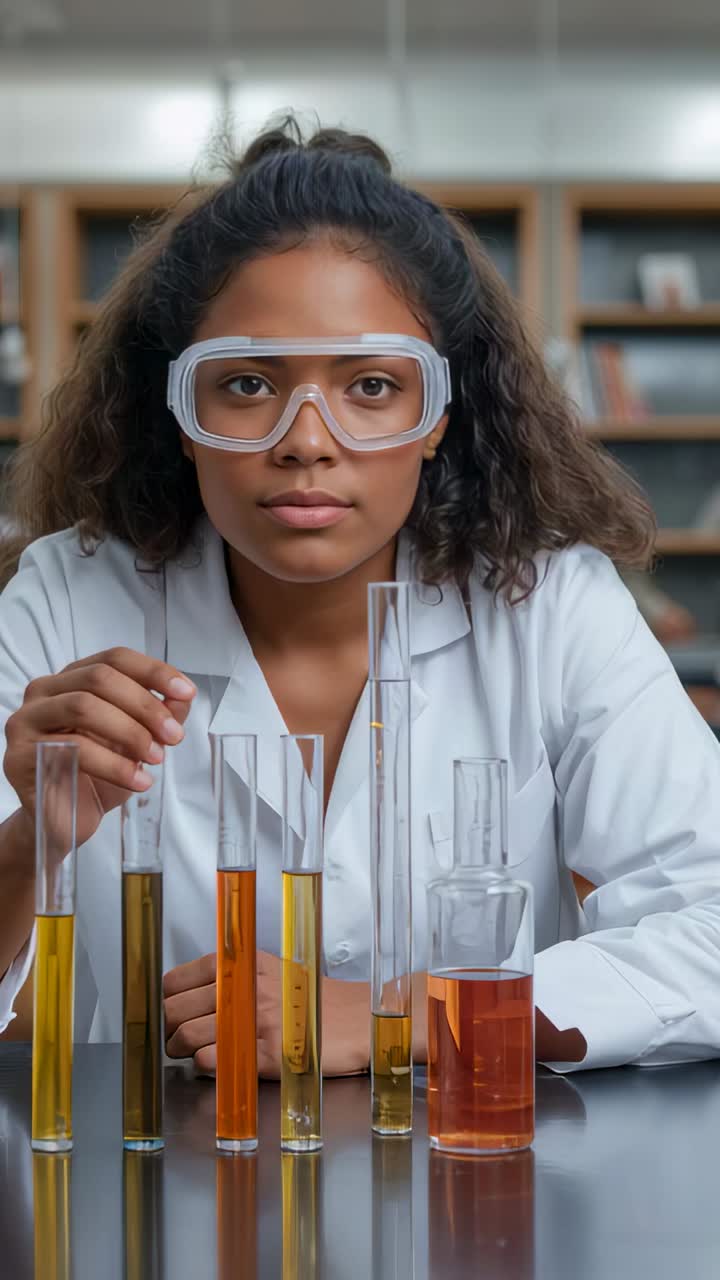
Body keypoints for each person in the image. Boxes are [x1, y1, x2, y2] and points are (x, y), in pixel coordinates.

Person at [0, 119, 718, 1076]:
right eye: (248, 383)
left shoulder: (547, 601)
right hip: (154, 1188)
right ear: (177, 414)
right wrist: (27, 843)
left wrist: (395, 1014)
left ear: (437, 421)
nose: (307, 439)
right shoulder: (68, 597)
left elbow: (708, 925)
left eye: (374, 385)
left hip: (481, 1189)